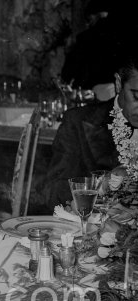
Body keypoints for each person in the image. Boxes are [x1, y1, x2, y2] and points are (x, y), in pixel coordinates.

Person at [47, 52, 138, 207]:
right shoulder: (79, 122)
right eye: (137, 97)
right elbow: (53, 193)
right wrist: (102, 185)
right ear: (118, 83)